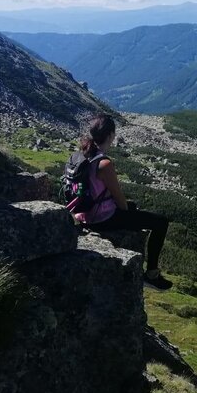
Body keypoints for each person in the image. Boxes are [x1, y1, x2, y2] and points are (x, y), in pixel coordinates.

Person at [70, 113, 172, 290]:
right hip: (101, 218)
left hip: (82, 214)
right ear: (110, 135)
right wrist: (128, 211)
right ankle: (151, 274)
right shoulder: (104, 163)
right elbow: (119, 199)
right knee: (160, 222)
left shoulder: (78, 156)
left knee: (134, 210)